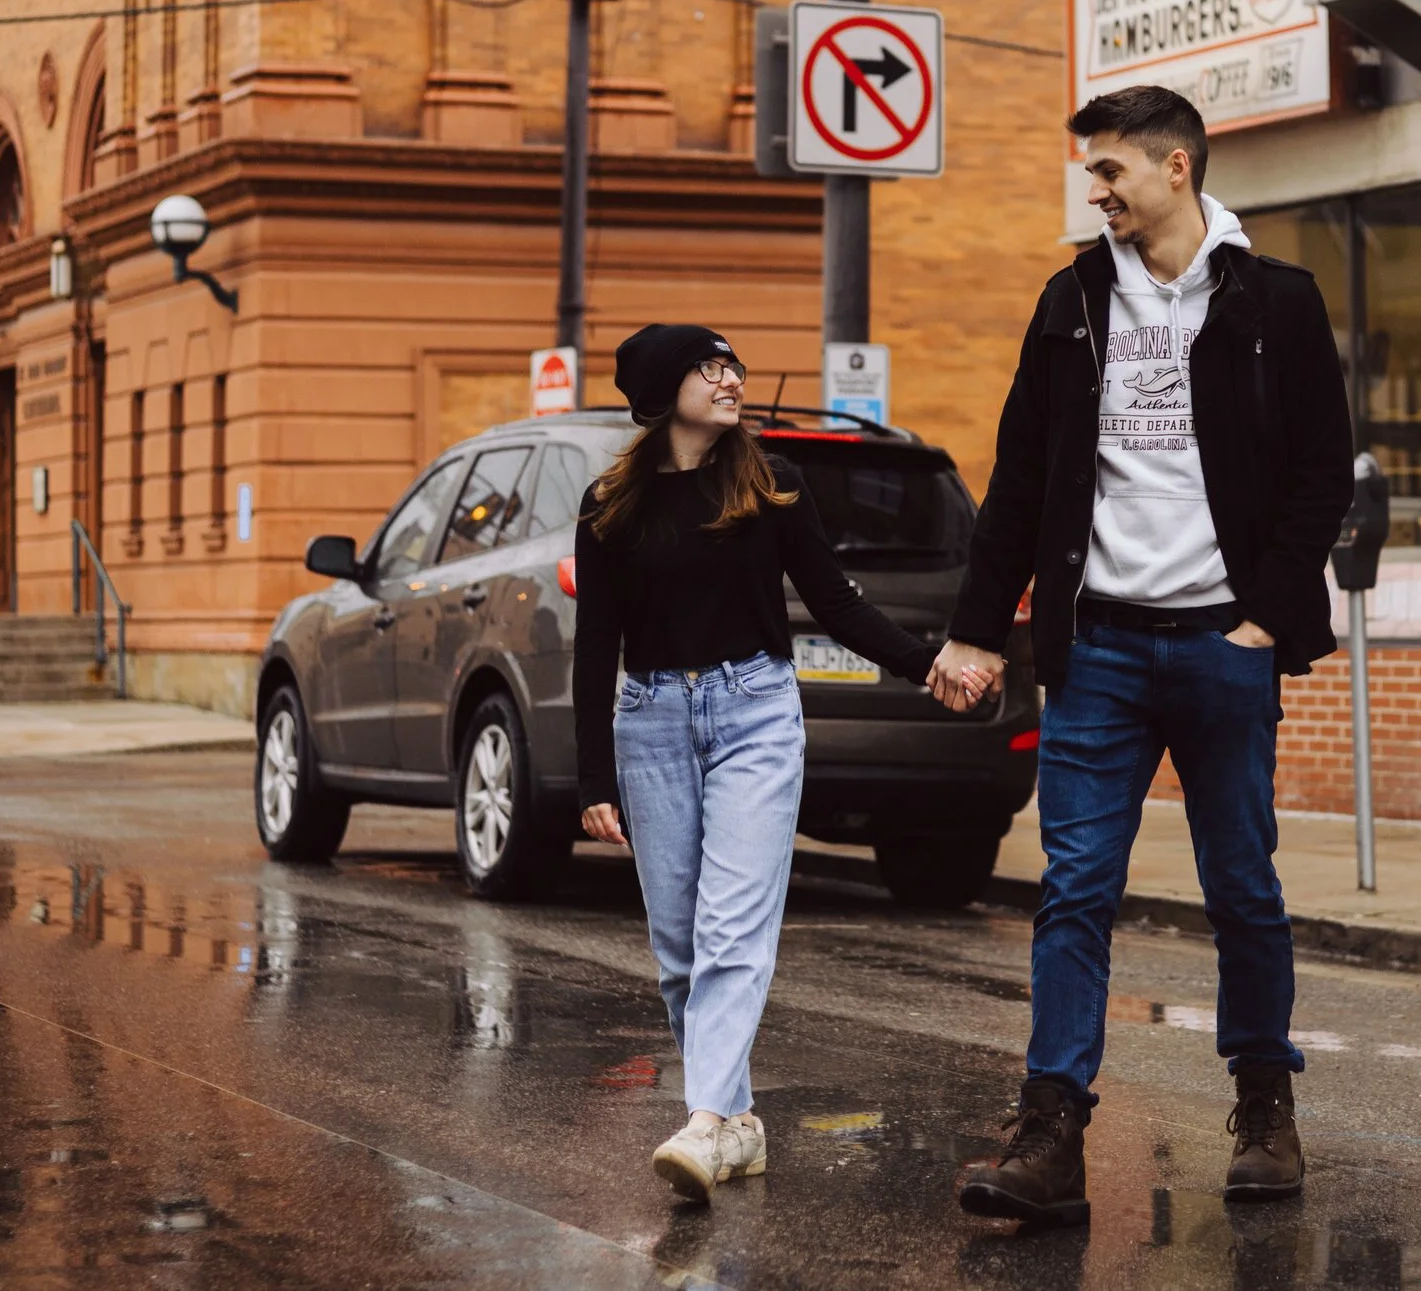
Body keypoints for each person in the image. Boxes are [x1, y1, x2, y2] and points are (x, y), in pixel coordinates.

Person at [932, 85, 1353, 1225]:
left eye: (1111, 168)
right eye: (1091, 170)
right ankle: (1051, 1130)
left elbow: (1325, 470)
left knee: (1243, 889)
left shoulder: (1275, 300)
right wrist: (976, 625)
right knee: (1074, 888)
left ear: (1177, 166)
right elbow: (1020, 478)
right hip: (1101, 647)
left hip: (1223, 643)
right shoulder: (1071, 302)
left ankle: (1265, 1104)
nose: (1096, 189)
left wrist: (1264, 615)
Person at [574, 323, 981, 1203]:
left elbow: (835, 603)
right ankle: (739, 1121)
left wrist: (928, 662)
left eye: (732, 366)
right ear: (659, 390)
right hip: (650, 719)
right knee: (678, 948)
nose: (729, 378)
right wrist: (591, 779)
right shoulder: (611, 500)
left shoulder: (773, 482)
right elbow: (593, 644)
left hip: (755, 713)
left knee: (732, 932)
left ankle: (703, 1123)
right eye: (707, 367)